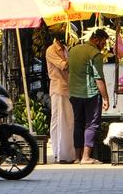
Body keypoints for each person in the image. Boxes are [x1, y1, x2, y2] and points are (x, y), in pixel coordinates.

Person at [68, 28, 110, 164]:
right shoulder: (95, 54)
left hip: (74, 93)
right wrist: (105, 98)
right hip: (90, 94)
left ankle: (77, 157)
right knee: (92, 124)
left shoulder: (73, 50)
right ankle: (86, 157)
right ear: (96, 40)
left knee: (78, 123)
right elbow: (99, 78)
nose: (103, 47)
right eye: (103, 43)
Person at [46, 33, 75, 164]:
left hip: (67, 88)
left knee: (68, 121)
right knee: (58, 120)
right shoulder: (51, 50)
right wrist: (77, 58)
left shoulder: (65, 49)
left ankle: (68, 153)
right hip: (58, 88)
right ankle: (59, 153)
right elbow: (64, 66)